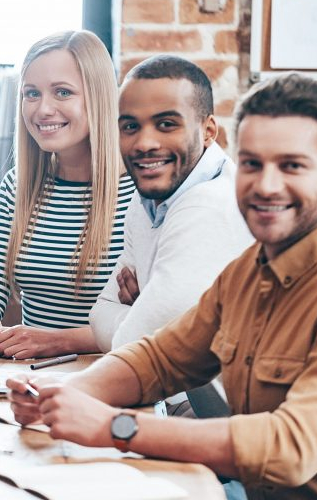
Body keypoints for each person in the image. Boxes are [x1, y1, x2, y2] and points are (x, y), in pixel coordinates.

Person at [7, 73, 317, 500]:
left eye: (292, 166)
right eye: (253, 164)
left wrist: (115, 426)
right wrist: (63, 394)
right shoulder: (248, 271)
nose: (266, 185)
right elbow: (159, 359)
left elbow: (288, 447)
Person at [0, 30, 134, 359]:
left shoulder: (140, 194)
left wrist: (57, 341)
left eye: (62, 92)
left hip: (112, 379)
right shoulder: (17, 187)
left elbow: (150, 322)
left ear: (97, 98)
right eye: (31, 93)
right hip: (29, 380)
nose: (43, 109)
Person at [90, 55, 252, 355]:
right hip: (175, 397)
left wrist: (142, 317)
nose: (144, 143)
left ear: (208, 131)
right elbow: (99, 315)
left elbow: (131, 350)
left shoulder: (208, 206)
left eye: (166, 124)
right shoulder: (147, 199)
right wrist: (143, 317)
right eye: (130, 127)